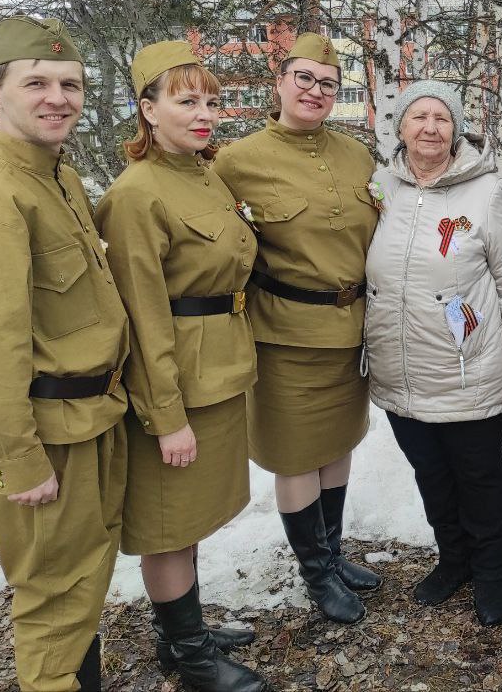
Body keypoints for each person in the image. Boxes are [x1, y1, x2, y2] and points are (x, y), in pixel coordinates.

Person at [0, 16, 129, 692]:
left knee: (81, 587)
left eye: (70, 84)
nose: (57, 97)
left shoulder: (57, 178)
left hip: (90, 419)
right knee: (53, 600)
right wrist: (18, 461)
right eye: (36, 83)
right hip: (49, 438)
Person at [94, 42, 265, 692]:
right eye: (185, 100)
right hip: (178, 387)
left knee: (191, 516)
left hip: (220, 369)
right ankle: (192, 657)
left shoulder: (203, 173)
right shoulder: (136, 196)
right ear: (147, 108)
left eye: (211, 101)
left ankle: (178, 631)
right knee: (168, 525)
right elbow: (141, 317)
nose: (203, 114)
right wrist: (166, 418)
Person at [214, 32, 381, 626]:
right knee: (296, 457)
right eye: (304, 78)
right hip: (284, 334)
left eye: (328, 83)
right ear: (280, 82)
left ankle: (332, 556)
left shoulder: (357, 155)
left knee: (337, 446)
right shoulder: (236, 161)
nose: (315, 91)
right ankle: (316, 573)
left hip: (352, 330)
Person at [363, 80, 502, 627]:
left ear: (456, 129)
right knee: (431, 476)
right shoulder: (380, 189)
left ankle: (491, 574)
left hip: (470, 371)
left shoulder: (486, 193)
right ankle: (453, 561)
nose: (430, 127)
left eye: (442, 117)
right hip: (401, 370)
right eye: (419, 117)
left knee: (479, 478)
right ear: (400, 129)